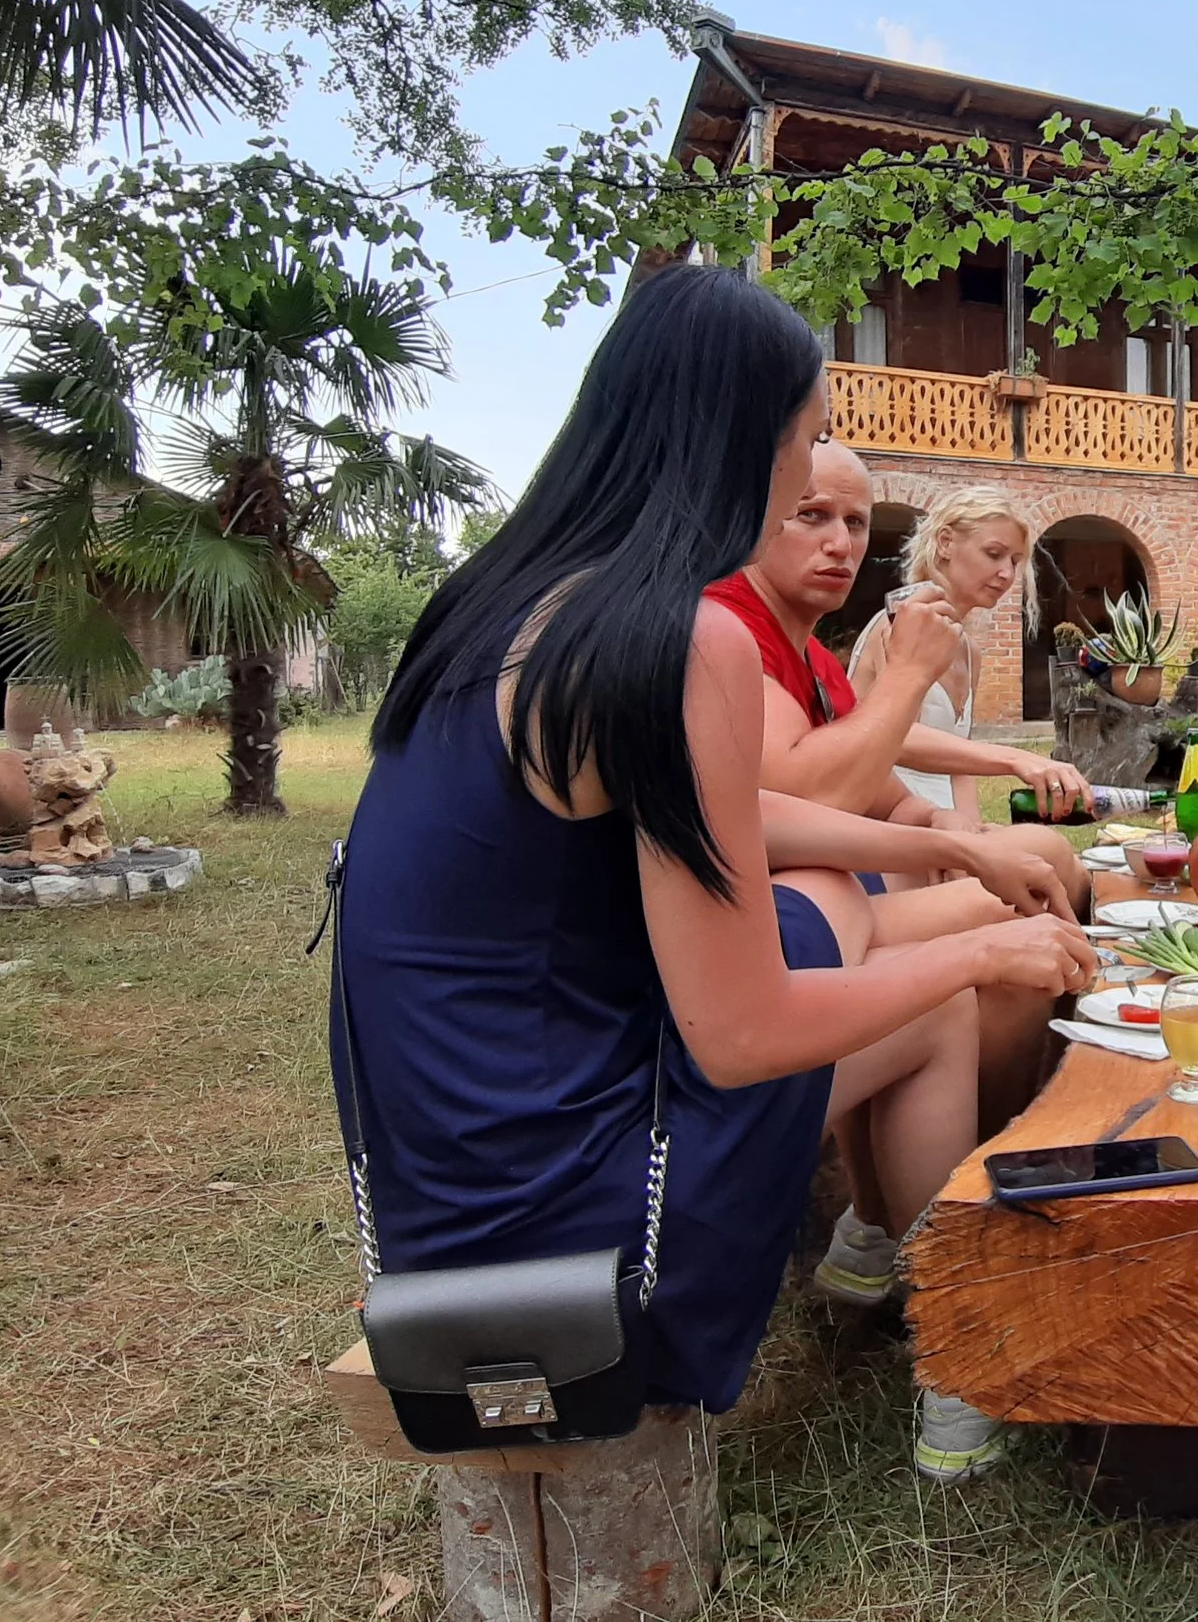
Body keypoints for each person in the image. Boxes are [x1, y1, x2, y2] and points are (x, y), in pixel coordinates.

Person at [335, 266, 1096, 1484]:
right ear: (748, 439)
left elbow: (725, 819)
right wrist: (981, 946)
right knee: (937, 999)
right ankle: (961, 1354)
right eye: (810, 439)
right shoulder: (678, 640)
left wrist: (938, 845)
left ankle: (899, 1285)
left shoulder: (504, 607)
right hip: (579, 1222)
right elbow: (740, 1033)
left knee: (868, 942)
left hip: (446, 1187)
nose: (815, 478)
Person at [719, 449, 1088, 917]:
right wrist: (1000, 766)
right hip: (802, 894)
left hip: (856, 859)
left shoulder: (814, 657)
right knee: (1037, 870)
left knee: (1047, 865)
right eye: (810, 514)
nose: (840, 544)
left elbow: (890, 795)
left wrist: (945, 821)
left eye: (856, 524)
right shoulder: (724, 630)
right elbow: (817, 796)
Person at [847, 486, 1090, 842]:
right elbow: (894, 738)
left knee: (1046, 851)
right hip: (886, 819)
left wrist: (975, 834)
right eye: (994, 554)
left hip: (945, 826)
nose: (1007, 574)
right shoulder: (898, 624)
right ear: (945, 543)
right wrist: (1013, 759)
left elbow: (959, 771)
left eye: (1014, 561)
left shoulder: (968, 651)